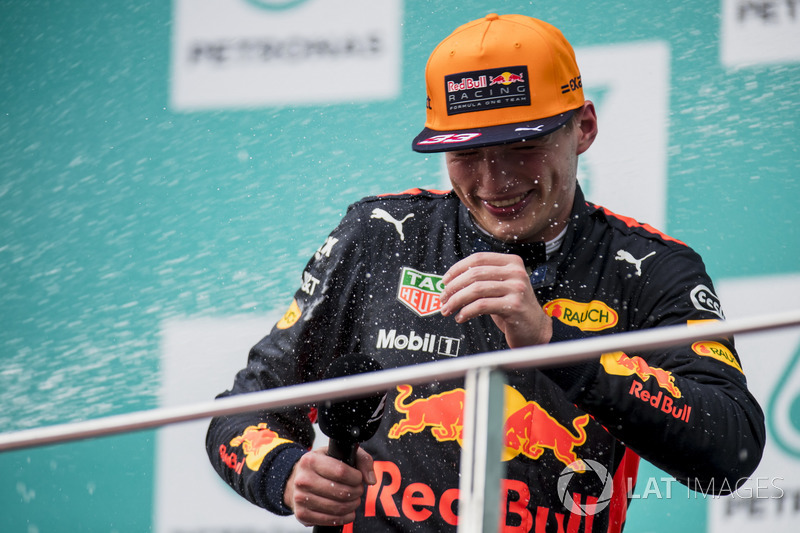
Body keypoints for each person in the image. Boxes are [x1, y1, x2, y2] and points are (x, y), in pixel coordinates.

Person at [206, 13, 765, 532]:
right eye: (465, 153)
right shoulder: (378, 235)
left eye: (521, 146)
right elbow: (242, 415)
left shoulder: (650, 270)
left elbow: (731, 451)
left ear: (585, 127)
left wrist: (552, 344)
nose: (493, 181)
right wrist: (285, 472)